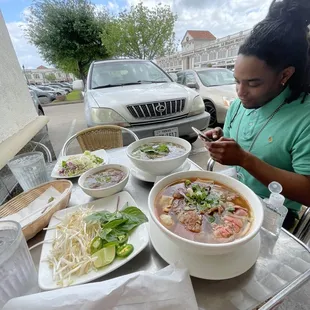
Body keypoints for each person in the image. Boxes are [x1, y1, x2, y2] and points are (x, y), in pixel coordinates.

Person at [204, 0, 310, 230]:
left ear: (285, 75)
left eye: (253, 83)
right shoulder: (238, 106)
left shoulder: (305, 117)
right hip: (232, 199)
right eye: (237, 81)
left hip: (273, 218)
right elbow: (241, 143)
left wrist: (244, 159)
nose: (240, 93)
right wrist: (220, 140)